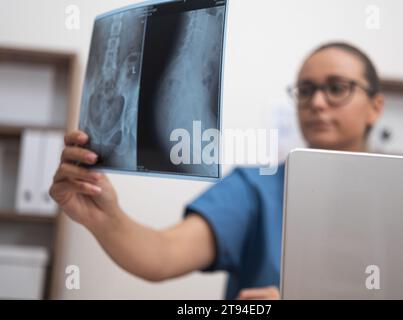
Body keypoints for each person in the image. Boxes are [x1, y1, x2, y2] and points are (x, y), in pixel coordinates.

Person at [50, 42, 384, 300]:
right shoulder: (256, 189)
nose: (317, 102)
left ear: (375, 106)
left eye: (337, 88)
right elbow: (162, 255)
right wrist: (103, 216)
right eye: (306, 90)